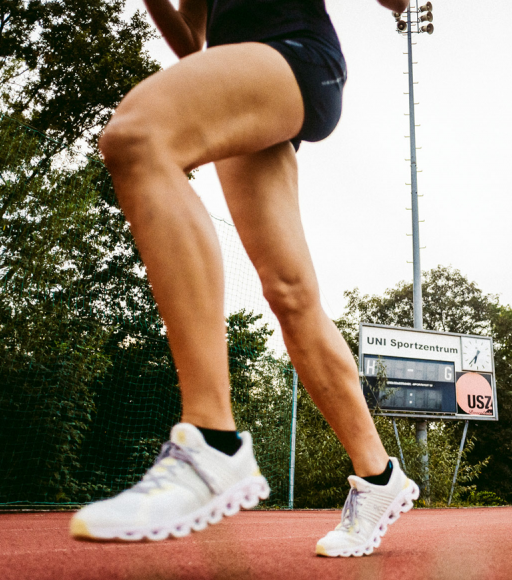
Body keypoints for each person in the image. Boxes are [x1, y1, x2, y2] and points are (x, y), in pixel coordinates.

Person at [69, 0, 418, 558]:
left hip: (299, 56)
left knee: (137, 136)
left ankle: (212, 439)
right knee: (290, 293)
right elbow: (193, 44)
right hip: (246, 71)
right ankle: (379, 478)